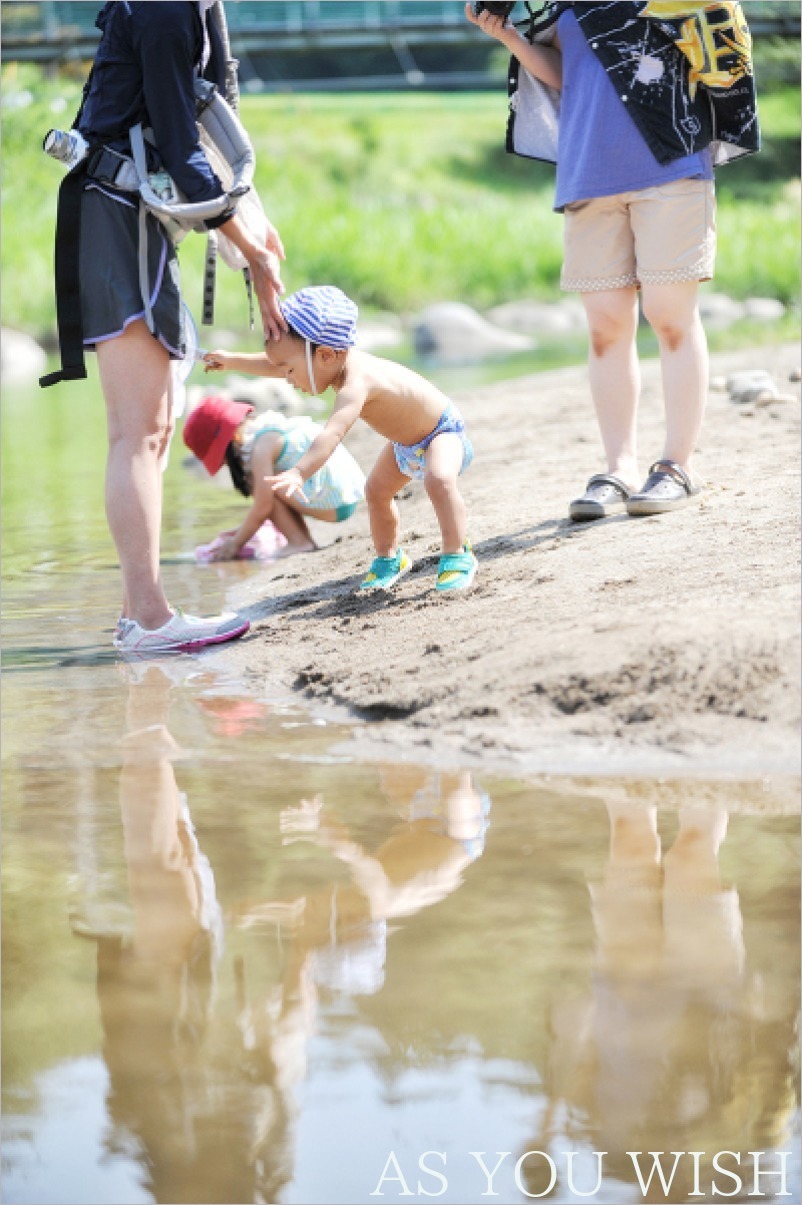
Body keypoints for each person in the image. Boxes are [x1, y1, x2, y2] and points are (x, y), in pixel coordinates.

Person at [45, 1, 289, 653]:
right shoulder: (164, 7)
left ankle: (138, 617)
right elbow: (183, 150)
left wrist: (252, 224)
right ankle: (150, 619)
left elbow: (206, 121)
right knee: (140, 430)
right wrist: (255, 252)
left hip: (132, 220)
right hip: (119, 218)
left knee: (147, 431)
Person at [467, 1, 759, 521]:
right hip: (588, 173)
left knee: (670, 318)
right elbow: (568, 75)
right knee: (605, 329)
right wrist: (511, 39)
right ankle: (618, 469)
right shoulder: (564, 5)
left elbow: (719, 46)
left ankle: (676, 467)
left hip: (671, 166)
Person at [210, 286, 478, 592]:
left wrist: (299, 472)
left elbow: (332, 434)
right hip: (405, 445)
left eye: (290, 370)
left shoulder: (356, 382)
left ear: (324, 355)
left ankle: (458, 554)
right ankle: (390, 558)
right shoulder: (332, 363)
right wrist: (232, 361)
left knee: (439, 480)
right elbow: (273, 362)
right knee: (376, 492)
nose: (286, 378)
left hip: (441, 432)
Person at [183, 392, 366, 560]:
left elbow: (263, 506)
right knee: (267, 483)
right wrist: (240, 532)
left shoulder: (261, 448)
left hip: (334, 501)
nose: (226, 465)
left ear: (233, 439)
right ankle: (301, 540)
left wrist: (235, 544)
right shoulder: (266, 429)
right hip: (342, 495)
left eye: (223, 460)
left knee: (260, 484)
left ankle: (299, 543)